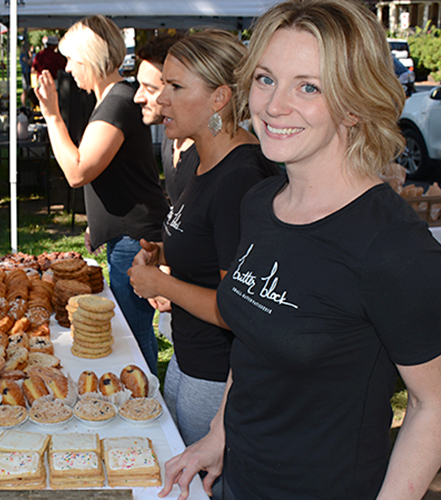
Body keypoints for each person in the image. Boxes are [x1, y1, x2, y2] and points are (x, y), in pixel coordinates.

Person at [160, 1, 441, 499]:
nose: (274, 106)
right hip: (237, 481)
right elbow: (253, 340)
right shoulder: (259, 202)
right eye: (264, 79)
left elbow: (434, 407)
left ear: (353, 102)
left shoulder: (396, 252)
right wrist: (218, 435)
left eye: (308, 87)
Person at [127, 30, 280, 499]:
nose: (159, 98)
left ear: (219, 97)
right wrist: (162, 256)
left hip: (216, 378)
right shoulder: (197, 158)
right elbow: (204, 246)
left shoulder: (241, 178)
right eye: (162, 86)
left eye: (175, 87)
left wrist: (160, 284)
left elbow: (240, 309)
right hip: (188, 362)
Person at [34, 15, 169, 374]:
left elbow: (78, 171)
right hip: (125, 235)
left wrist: (52, 116)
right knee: (132, 330)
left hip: (134, 240)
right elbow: (119, 174)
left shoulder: (117, 102)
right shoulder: (114, 99)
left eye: (73, 60)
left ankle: (143, 397)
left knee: (133, 334)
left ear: (92, 59)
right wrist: (100, 225)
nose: (68, 69)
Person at [133, 33, 198, 207]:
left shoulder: (220, 154)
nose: (137, 98)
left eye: (150, 89)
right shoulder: (170, 136)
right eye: (139, 85)